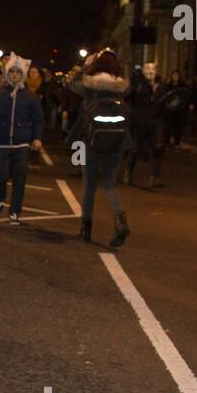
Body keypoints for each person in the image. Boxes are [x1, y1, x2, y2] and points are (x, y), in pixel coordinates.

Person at [69, 50, 130, 248]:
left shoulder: (90, 86)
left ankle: (85, 228)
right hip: (116, 142)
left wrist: (85, 68)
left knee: (89, 186)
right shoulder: (121, 88)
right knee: (109, 184)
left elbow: (72, 84)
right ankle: (120, 219)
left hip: (92, 141)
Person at [0, 52, 43, 224]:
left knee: (20, 178)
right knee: (1, 176)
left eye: (18, 72)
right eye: (12, 72)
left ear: (22, 75)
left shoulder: (31, 97)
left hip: (22, 143)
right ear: (8, 74)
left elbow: (38, 119)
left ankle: (15, 210)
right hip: (2, 142)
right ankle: (0, 197)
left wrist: (37, 138)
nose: (15, 75)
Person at [124, 62, 165, 188]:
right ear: (143, 71)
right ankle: (128, 172)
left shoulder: (161, 84)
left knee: (158, 147)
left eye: (153, 69)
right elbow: (127, 96)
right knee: (135, 148)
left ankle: (155, 177)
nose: (150, 72)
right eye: (147, 69)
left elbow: (166, 100)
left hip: (155, 120)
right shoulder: (137, 83)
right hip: (139, 120)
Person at [157, 70, 191, 148]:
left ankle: (176, 142)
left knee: (178, 127)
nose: (175, 77)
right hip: (170, 110)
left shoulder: (183, 86)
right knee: (168, 126)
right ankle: (167, 141)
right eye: (174, 75)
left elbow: (186, 96)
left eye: (177, 75)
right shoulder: (168, 86)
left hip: (179, 111)